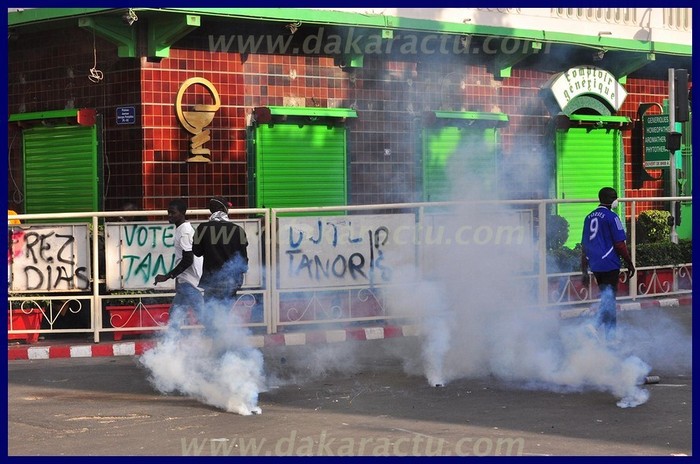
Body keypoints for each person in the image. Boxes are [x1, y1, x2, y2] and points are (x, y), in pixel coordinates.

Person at [580, 187, 635, 341]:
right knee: (609, 300)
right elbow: (620, 244)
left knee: (607, 298)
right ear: (612, 200)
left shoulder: (589, 217)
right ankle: (595, 325)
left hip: (595, 265)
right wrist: (629, 262)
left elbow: (584, 246)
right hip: (610, 263)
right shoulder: (612, 217)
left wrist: (584, 270)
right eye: (616, 197)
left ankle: (610, 337)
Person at [153, 199, 203, 329]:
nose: (169, 215)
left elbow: (188, 259)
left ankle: (223, 341)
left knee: (202, 316)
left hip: (190, 283)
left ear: (182, 213)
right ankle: (172, 346)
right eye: (168, 212)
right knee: (175, 317)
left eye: (173, 213)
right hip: (185, 282)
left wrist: (168, 276)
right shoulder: (182, 229)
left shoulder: (185, 231)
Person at [192, 196, 249, 305]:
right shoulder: (238, 230)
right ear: (224, 209)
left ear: (211, 210)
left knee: (212, 314)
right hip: (231, 281)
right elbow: (243, 259)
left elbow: (197, 252)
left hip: (211, 281)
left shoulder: (202, 228)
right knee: (225, 314)